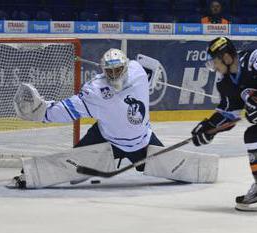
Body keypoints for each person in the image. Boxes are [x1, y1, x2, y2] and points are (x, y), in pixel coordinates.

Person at [11, 48, 164, 188]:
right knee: (71, 165)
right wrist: (43, 112)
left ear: (125, 67)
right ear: (103, 71)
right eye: (109, 71)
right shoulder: (95, 90)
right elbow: (68, 109)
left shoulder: (138, 71)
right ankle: (30, 174)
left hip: (143, 139)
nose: (114, 75)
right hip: (107, 139)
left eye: (118, 70)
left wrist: (154, 76)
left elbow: (151, 67)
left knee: (172, 166)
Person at [191, 37, 257, 212]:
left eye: (215, 61)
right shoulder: (224, 83)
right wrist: (209, 128)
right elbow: (229, 113)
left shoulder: (251, 58)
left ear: (226, 57)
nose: (214, 67)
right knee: (253, 135)